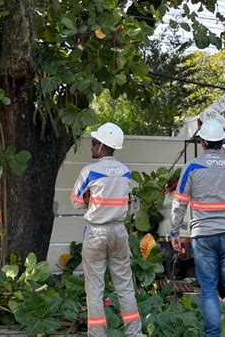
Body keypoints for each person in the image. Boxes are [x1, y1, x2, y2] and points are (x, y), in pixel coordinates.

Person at [170, 119, 225, 337]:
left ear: (203, 142)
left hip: (203, 237)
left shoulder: (193, 167)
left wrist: (174, 232)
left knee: (208, 290)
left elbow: (179, 202)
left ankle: (213, 335)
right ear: (222, 141)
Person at [70, 122, 141, 337]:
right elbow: (125, 200)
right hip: (119, 232)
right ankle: (134, 333)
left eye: (93, 142)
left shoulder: (89, 171)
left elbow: (75, 200)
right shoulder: (125, 172)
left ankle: (98, 334)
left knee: (95, 290)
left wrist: (90, 200)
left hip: (96, 233)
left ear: (102, 146)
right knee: (125, 288)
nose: (91, 146)